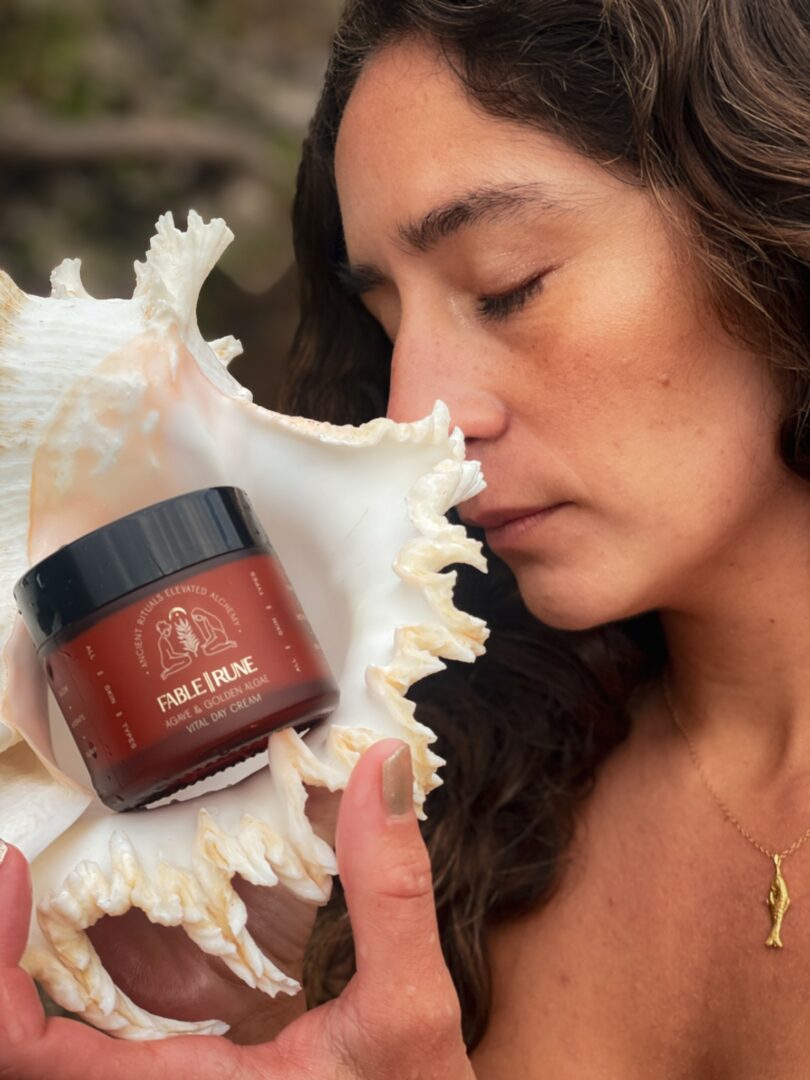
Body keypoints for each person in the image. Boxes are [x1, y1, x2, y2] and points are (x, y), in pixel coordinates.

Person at [1, 0, 808, 1075]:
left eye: (506, 286)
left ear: (770, 222)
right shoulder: (449, 798)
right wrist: (246, 997)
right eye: (385, 327)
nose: (415, 412)